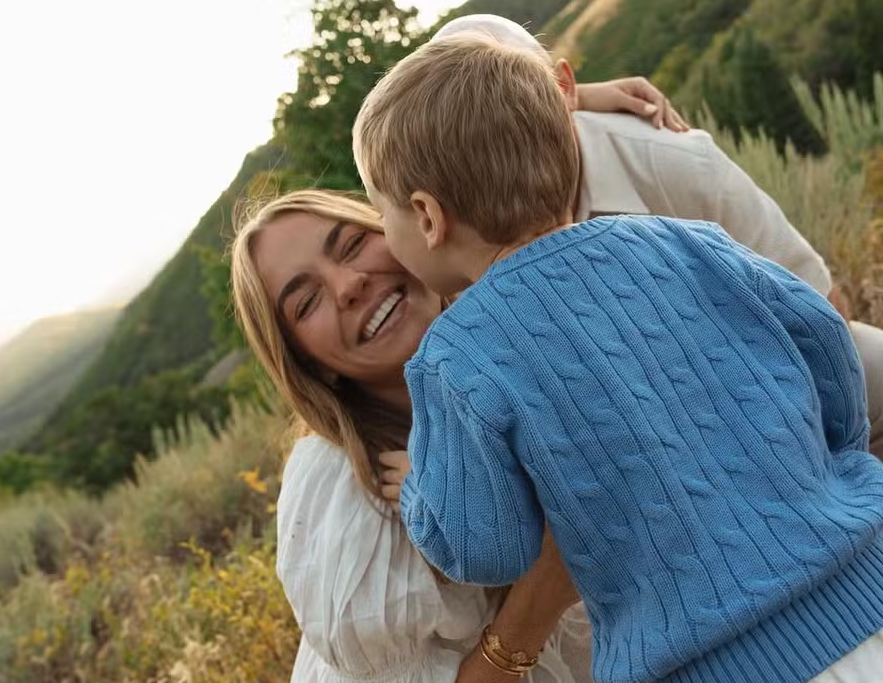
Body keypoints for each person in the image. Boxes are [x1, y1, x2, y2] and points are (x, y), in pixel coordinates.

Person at [351, 31, 883, 683]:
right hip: (866, 587)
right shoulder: (689, 241)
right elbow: (824, 339)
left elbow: (489, 545)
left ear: (428, 217)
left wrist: (423, 496)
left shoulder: (453, 357)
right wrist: (831, 465)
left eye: (382, 211)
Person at [231, 76, 688, 683]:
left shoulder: (533, 334)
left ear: (414, 225)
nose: (347, 286)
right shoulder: (343, 493)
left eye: (350, 246)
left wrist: (572, 99)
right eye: (305, 302)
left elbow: (456, 108)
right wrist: (544, 586)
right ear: (307, 363)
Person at [432, 14, 883, 458]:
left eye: (521, 99)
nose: (502, 133)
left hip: (771, 386)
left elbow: (822, 307)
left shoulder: (672, 160)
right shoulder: (456, 242)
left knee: (873, 358)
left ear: (563, 87)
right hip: (638, 455)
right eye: (472, 124)